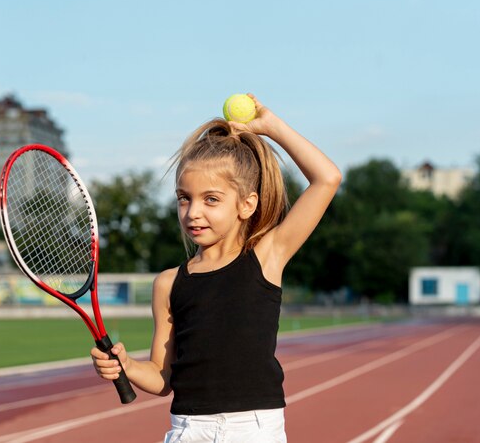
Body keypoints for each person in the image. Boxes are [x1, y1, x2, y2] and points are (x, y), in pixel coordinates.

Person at [91, 94, 342, 442]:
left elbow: (327, 178)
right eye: (184, 198)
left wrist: (272, 128)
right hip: (189, 430)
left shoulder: (267, 256)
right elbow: (163, 380)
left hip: (255, 430)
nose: (193, 212)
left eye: (211, 199)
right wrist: (127, 367)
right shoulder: (168, 283)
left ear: (246, 204)